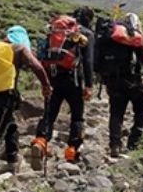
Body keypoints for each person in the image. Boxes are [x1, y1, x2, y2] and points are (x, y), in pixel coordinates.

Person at [0, 27, 52, 179]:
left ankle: (12, 161)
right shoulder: (19, 49)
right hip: (6, 95)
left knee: (10, 126)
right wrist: (46, 85)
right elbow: (36, 66)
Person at [31, 8, 95, 164]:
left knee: (50, 112)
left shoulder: (55, 31)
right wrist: (89, 85)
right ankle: (72, 150)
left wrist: (45, 81)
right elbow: (87, 61)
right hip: (73, 79)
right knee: (77, 114)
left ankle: (41, 141)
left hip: (52, 76)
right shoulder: (82, 34)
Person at [97, 13, 143, 157]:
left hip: (112, 80)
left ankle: (115, 145)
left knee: (116, 112)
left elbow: (99, 62)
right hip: (132, 80)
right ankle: (134, 141)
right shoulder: (133, 36)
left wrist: (105, 80)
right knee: (142, 107)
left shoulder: (109, 38)